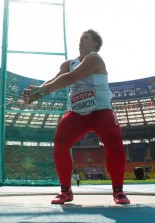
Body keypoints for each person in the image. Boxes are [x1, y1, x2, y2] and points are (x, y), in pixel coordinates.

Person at [23, 29, 130, 205]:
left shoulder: (95, 58)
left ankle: (118, 191)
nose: (81, 40)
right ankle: (66, 191)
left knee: (114, 141)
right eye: (80, 38)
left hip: (100, 110)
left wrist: (42, 91)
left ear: (95, 44)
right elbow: (55, 79)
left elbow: (71, 78)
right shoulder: (68, 63)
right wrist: (38, 90)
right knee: (60, 141)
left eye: (85, 38)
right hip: (78, 112)